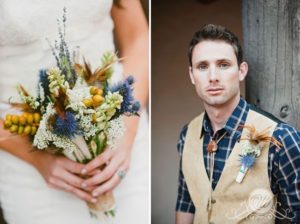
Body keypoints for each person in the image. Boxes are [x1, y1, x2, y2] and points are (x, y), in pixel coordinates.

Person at [0, 0, 149, 223]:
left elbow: (137, 38)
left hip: (122, 136)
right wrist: (38, 159)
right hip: (28, 158)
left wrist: (127, 128)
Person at [175, 24, 300, 224]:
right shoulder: (186, 134)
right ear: (192, 75)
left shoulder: (283, 139)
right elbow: (186, 202)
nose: (213, 77)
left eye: (223, 64)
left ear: (241, 71)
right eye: (202, 66)